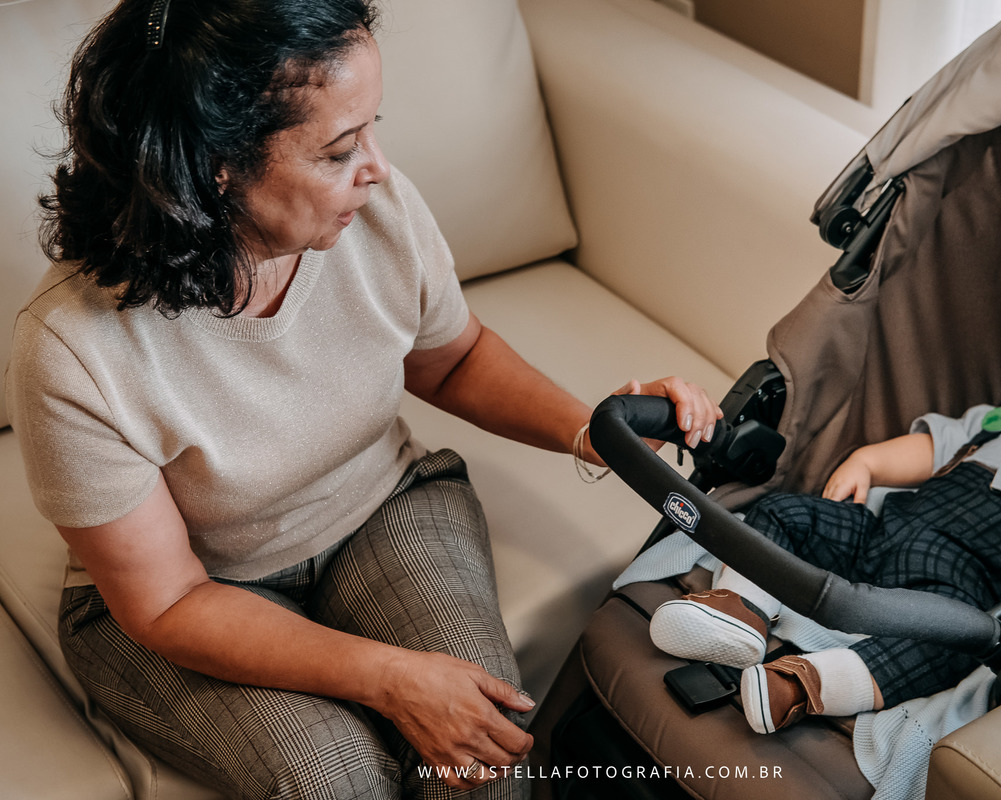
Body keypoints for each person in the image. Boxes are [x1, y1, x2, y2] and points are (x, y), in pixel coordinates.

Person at [4, 0, 722, 798]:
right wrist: (390, 678)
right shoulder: (74, 348)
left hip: (381, 509)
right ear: (219, 164)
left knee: (484, 760)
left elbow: (453, 361)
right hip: (190, 597)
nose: (376, 167)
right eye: (341, 148)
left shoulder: (372, 211)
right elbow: (168, 599)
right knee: (334, 780)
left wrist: (600, 434)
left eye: (371, 130)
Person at [649, 329, 1001, 734]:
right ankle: (736, 612)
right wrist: (869, 462)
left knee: (955, 638)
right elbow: (936, 445)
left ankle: (803, 686)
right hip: (889, 527)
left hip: (963, 581)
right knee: (785, 514)